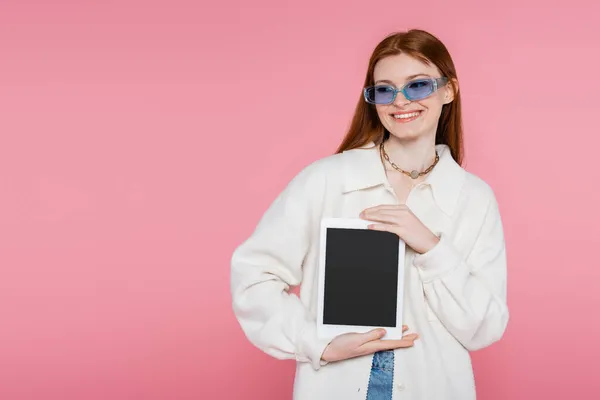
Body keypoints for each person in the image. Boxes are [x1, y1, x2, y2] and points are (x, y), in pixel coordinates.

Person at [230, 29, 509, 400]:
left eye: (418, 85)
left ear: (449, 90)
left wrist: (430, 246)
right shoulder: (326, 179)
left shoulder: (474, 198)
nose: (400, 101)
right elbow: (253, 277)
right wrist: (318, 344)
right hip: (336, 386)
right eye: (384, 89)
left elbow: (485, 328)